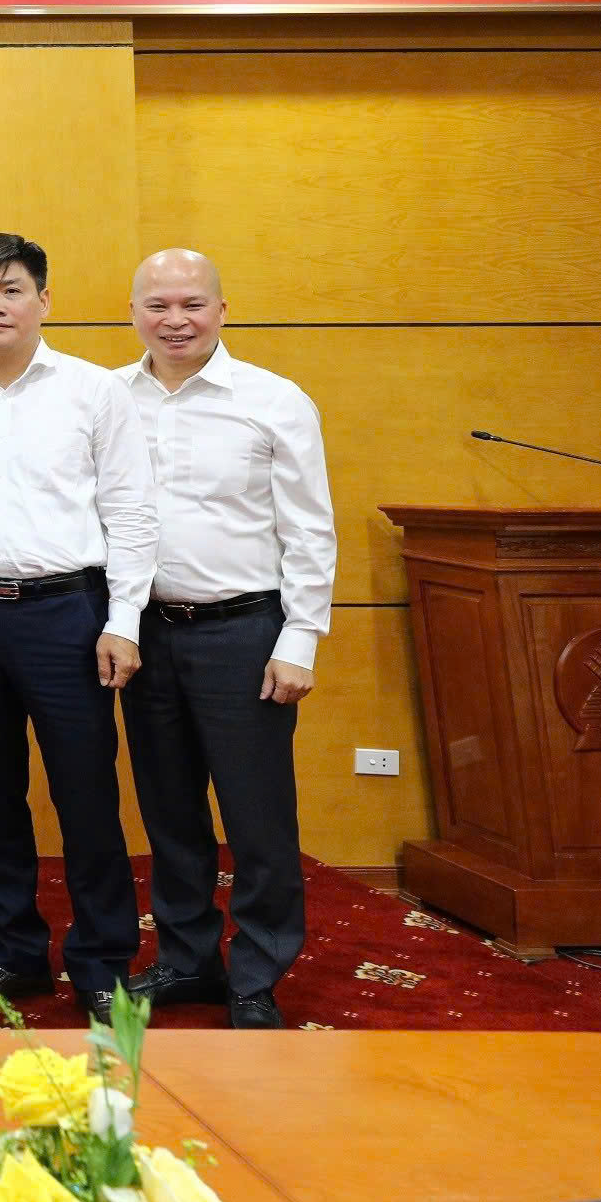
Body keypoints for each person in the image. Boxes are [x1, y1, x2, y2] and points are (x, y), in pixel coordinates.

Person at [0, 233, 155, 1024]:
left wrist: (123, 620)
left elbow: (131, 511)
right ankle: (13, 946)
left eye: (10, 289)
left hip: (67, 613)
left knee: (85, 792)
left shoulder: (94, 391)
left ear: (43, 300)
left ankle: (102, 956)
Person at [118, 249, 334, 1031]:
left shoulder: (274, 400)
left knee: (257, 815)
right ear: (133, 312)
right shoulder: (109, 399)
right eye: (158, 305)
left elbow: (310, 528)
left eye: (192, 304)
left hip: (245, 632)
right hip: (145, 632)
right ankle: (186, 959)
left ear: (221, 309)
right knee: (169, 810)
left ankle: (258, 972)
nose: (175, 320)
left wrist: (301, 635)